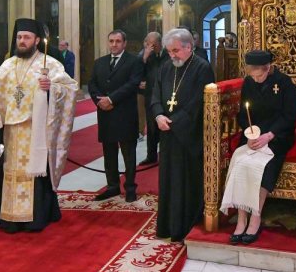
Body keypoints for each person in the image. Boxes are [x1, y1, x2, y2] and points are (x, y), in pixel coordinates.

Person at [0, 19, 78, 232]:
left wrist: (52, 88)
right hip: (10, 134)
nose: (22, 41)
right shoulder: (7, 66)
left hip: (36, 132)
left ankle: (36, 218)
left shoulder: (49, 64)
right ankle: (9, 218)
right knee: (9, 172)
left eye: (27, 38)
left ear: (37, 40)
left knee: (35, 173)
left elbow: (70, 89)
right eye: (19, 37)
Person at [220, 49, 296, 243]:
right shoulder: (248, 82)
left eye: (260, 75)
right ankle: (241, 218)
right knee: (240, 163)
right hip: (253, 136)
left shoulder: (285, 83)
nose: (256, 80)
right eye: (252, 76)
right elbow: (242, 113)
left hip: (277, 136)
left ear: (268, 68)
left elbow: (289, 116)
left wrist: (269, 135)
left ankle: (255, 217)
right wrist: (249, 132)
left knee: (261, 166)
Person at [151, 27, 215, 241]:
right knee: (168, 180)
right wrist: (159, 115)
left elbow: (198, 102)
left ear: (189, 47)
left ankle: (184, 226)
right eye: (169, 51)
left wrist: (174, 122)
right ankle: (167, 226)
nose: (172, 55)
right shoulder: (166, 66)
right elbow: (155, 94)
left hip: (189, 135)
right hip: (167, 132)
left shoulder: (202, 68)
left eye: (176, 50)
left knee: (185, 182)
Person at [91, 29, 145, 202]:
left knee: (129, 154)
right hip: (105, 114)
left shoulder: (134, 62)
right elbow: (92, 85)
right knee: (109, 152)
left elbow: (133, 84)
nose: (114, 44)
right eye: (111, 41)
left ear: (124, 43)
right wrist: (99, 101)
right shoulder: (99, 62)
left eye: (117, 41)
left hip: (124, 113)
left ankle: (130, 187)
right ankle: (112, 186)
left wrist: (112, 99)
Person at [137, 31, 164, 167]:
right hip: (150, 96)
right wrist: (144, 57)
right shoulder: (145, 56)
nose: (149, 47)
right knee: (151, 127)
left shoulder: (167, 55)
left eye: (152, 44)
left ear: (158, 44)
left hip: (165, 98)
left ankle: (165, 156)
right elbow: (137, 74)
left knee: (164, 127)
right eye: (147, 44)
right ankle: (151, 156)